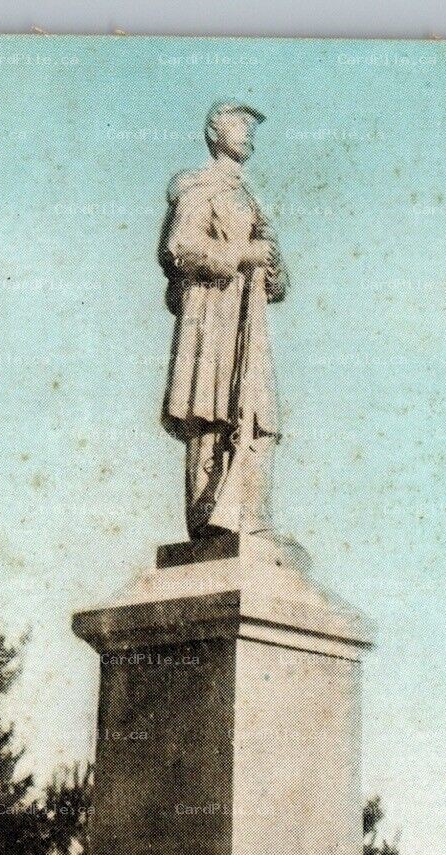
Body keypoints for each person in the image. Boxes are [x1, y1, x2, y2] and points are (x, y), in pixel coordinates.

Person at [159, 101, 288, 538]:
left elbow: (279, 286)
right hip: (213, 317)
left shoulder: (251, 197)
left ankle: (251, 515)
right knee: (212, 411)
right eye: (239, 124)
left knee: (258, 412)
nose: (249, 133)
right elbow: (180, 247)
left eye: (253, 127)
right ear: (215, 133)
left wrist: (271, 263)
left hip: (249, 323)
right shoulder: (200, 187)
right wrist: (240, 254)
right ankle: (210, 519)